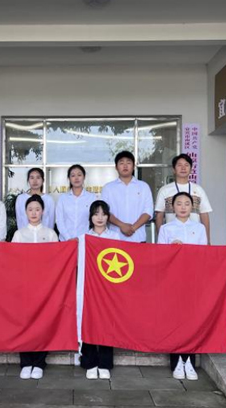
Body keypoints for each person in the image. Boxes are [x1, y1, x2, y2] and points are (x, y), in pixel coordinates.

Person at [157, 191, 207, 381]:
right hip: (172, 281)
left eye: (187, 203)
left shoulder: (199, 228)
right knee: (174, 320)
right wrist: (172, 249)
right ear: (172, 207)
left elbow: (204, 254)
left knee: (191, 320)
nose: (183, 207)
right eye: (179, 203)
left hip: (192, 280)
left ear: (192, 206)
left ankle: (189, 361)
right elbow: (160, 256)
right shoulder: (166, 229)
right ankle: (176, 361)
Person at [12, 195, 58, 380]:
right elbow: (13, 260)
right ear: (25, 212)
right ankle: (26, 362)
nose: (34, 213)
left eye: (37, 209)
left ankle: (39, 362)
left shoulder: (51, 233)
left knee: (42, 323)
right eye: (30, 209)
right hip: (24, 286)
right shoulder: (19, 234)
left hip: (45, 286)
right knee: (24, 323)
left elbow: (56, 259)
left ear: (43, 212)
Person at [81, 200, 119, 380]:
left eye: (103, 214)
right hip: (89, 287)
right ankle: (89, 362)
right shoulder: (83, 238)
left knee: (107, 323)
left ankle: (105, 363)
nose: (100, 218)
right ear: (90, 217)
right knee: (88, 322)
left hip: (109, 288)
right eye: (96, 214)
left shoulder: (115, 237)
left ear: (108, 217)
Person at [155, 153, 212, 244]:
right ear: (174, 169)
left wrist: (208, 240)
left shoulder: (198, 189)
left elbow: (204, 214)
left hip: (194, 237)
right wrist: (161, 238)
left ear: (191, 169)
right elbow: (159, 215)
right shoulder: (165, 190)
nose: (183, 168)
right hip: (172, 237)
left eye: (186, 165)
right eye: (179, 165)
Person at [101, 151, 154, 242]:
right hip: (115, 238)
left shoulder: (143, 186)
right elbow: (104, 211)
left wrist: (133, 228)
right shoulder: (108, 188)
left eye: (128, 163)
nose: (125, 166)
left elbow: (148, 211)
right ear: (116, 167)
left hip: (138, 238)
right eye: (121, 163)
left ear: (133, 166)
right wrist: (122, 225)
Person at [56, 164, 96, 241]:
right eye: (73, 175)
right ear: (69, 178)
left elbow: (94, 221)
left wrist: (81, 239)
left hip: (85, 240)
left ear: (84, 177)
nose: (76, 178)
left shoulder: (92, 198)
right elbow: (59, 221)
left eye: (79, 175)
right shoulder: (63, 198)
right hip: (65, 241)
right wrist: (68, 238)